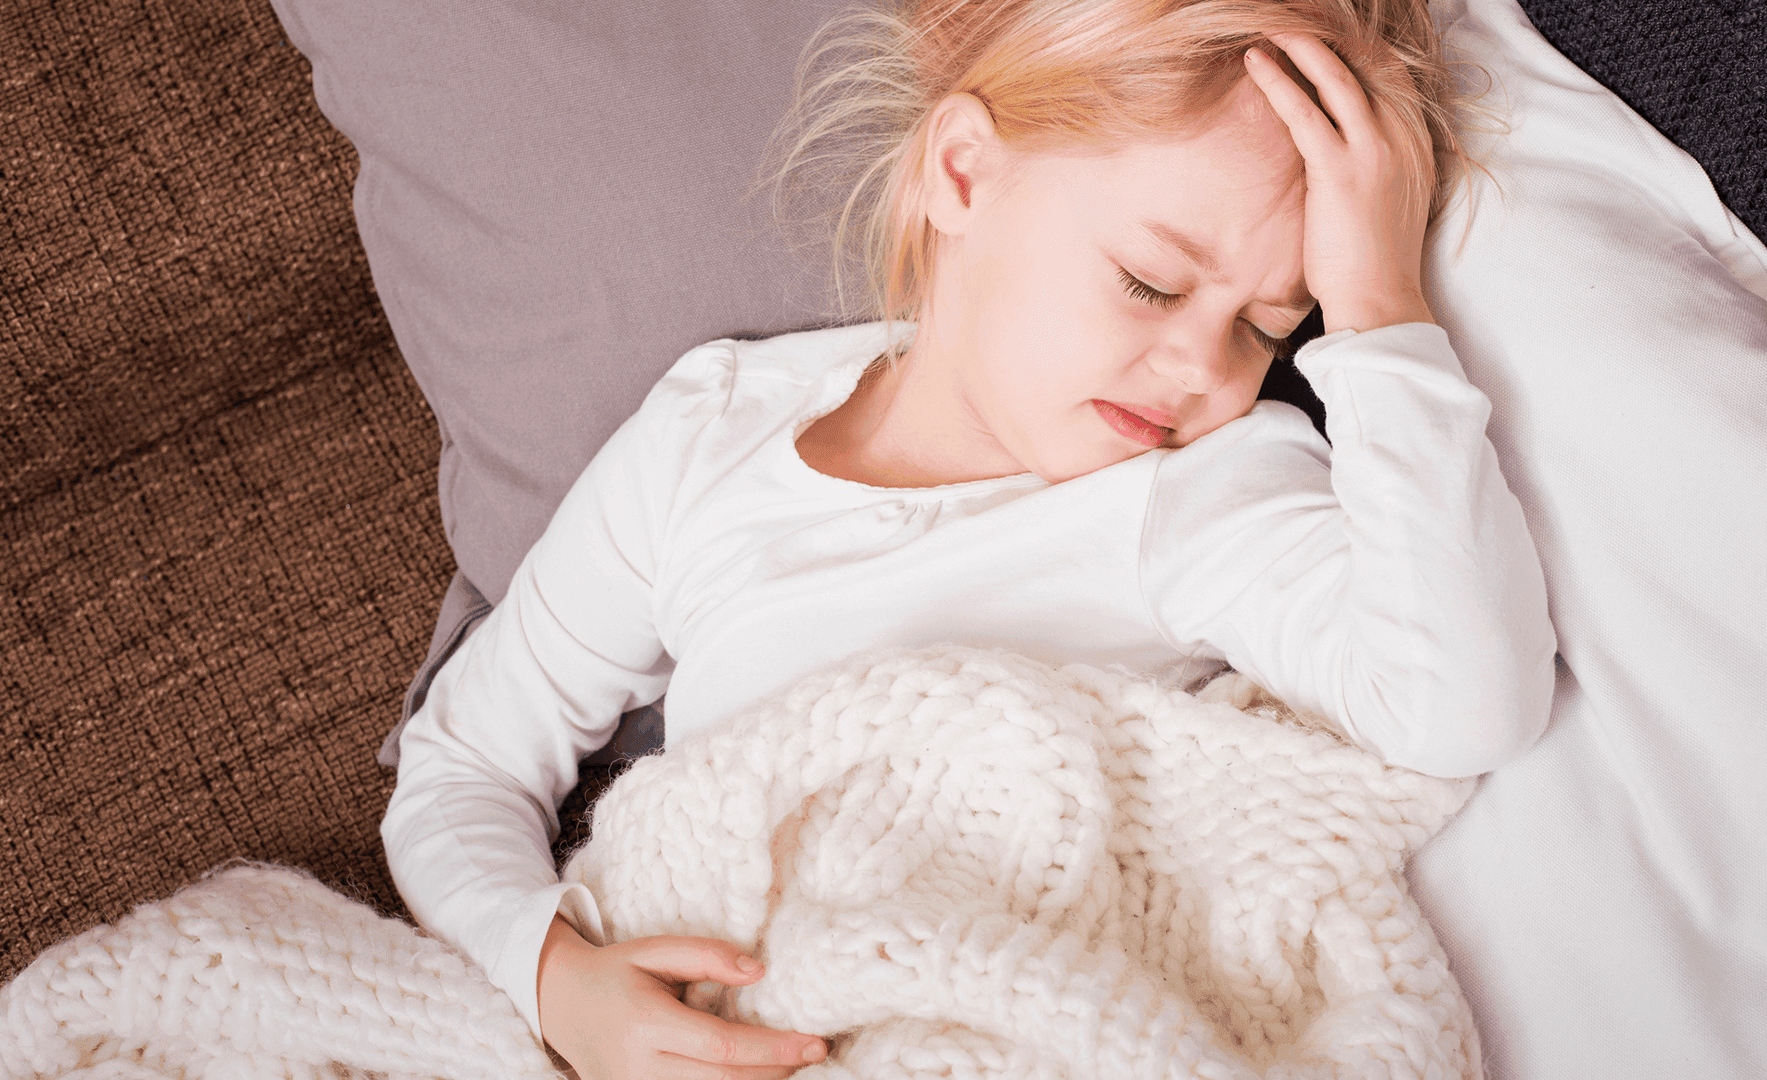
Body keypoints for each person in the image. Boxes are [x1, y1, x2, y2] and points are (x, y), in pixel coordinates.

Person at [380, 0, 1556, 1076]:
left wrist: (1382, 320)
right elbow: (467, 762)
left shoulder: (1206, 485)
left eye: (1265, 327)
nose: (1206, 368)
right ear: (962, 173)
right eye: (1151, 283)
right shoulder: (709, 440)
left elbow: (1461, 708)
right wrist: (553, 981)